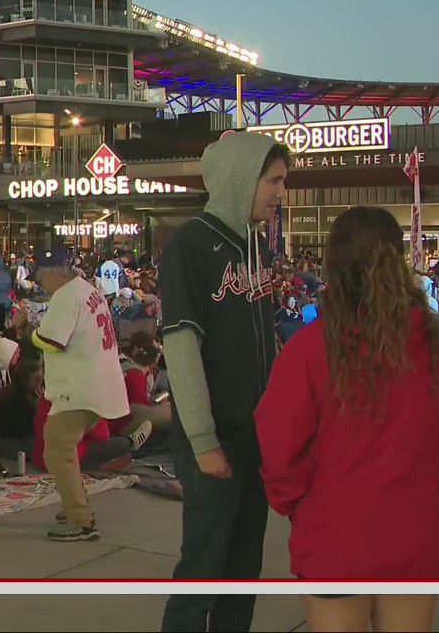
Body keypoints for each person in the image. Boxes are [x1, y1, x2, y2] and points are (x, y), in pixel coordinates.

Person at [255, 206, 439, 631]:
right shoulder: (431, 342)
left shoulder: (308, 349)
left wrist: (298, 504)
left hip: (335, 533)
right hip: (411, 529)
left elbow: (278, 445)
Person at [158, 132, 288, 632]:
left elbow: (262, 343)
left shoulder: (254, 244)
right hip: (214, 440)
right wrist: (204, 440)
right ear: (242, 177)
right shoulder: (191, 244)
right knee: (202, 574)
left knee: (242, 575)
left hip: (254, 439)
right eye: (273, 181)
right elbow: (182, 347)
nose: (280, 193)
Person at [28, 247, 128, 541]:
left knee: (57, 452)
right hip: (99, 383)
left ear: (55, 273)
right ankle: (78, 506)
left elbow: (50, 340)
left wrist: (30, 329)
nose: (40, 284)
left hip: (79, 388)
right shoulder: (85, 288)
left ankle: (80, 519)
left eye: (42, 277)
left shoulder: (65, 295)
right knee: (65, 451)